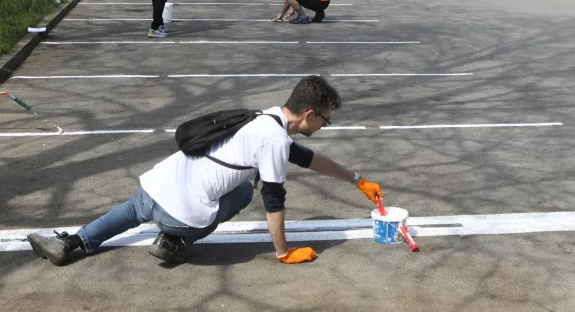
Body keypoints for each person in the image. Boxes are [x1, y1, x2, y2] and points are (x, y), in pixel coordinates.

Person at [27, 75, 383, 266]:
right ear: (309, 114)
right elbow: (273, 202)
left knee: (135, 209)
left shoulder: (264, 118)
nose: (325, 125)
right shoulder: (273, 141)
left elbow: (306, 157)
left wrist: (357, 180)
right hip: (180, 215)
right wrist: (283, 252)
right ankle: (176, 240)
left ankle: (72, 242)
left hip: (154, 187)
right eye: (325, 119)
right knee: (244, 191)